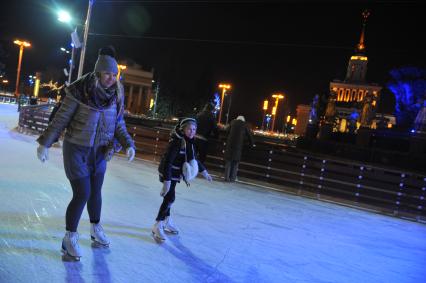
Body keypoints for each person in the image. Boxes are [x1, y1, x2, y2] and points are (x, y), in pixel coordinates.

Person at [36, 46, 135, 260]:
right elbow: (61, 119)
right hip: (77, 149)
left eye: (114, 74)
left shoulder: (117, 93)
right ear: (99, 72)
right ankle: (69, 238)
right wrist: (45, 143)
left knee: (96, 192)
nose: (111, 78)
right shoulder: (80, 90)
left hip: (100, 152)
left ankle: (95, 228)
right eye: (107, 73)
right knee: (82, 193)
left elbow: (118, 123)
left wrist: (128, 144)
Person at [152, 117, 212, 242]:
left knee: (169, 198)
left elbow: (193, 159)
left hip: (175, 174)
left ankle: (166, 220)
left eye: (194, 129)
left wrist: (204, 172)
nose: (192, 131)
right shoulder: (176, 142)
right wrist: (166, 183)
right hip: (167, 173)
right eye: (189, 129)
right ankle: (158, 224)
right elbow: (168, 162)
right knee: (169, 197)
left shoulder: (189, 142)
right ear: (182, 129)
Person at [224, 115, 254, 182]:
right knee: (235, 163)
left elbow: (226, 130)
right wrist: (252, 143)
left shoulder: (232, 122)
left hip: (230, 145)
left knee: (228, 162)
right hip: (238, 146)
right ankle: (232, 178)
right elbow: (249, 135)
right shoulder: (245, 125)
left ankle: (226, 178)